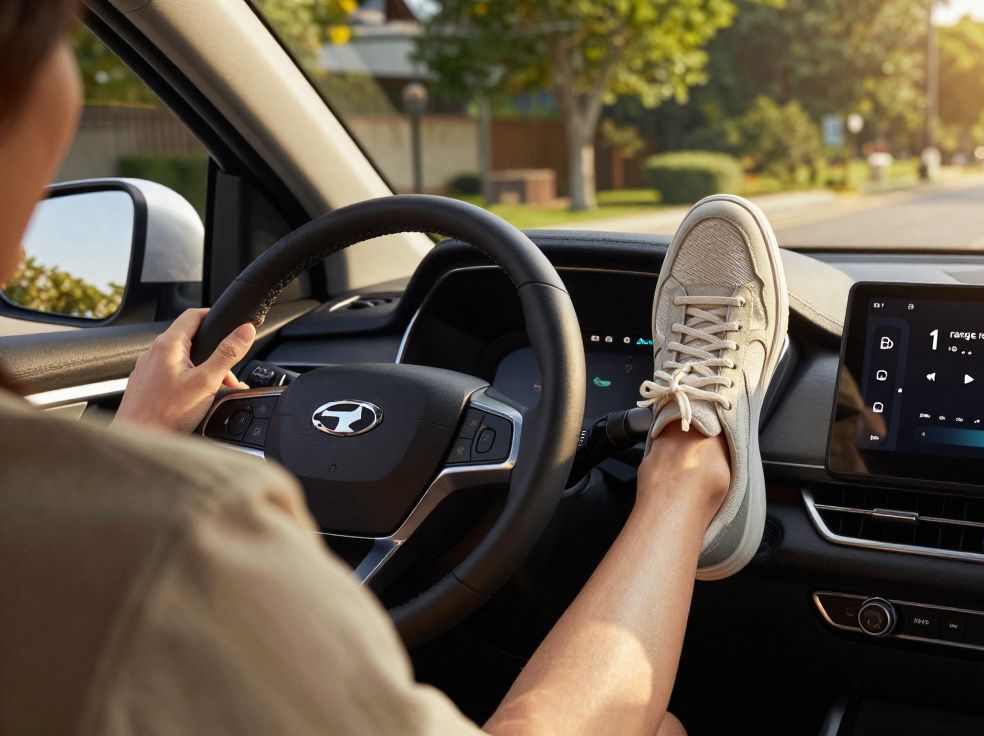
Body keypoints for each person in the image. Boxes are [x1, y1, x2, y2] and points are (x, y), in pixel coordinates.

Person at [0, 3, 789, 735]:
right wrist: (145, 486)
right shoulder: (178, 538)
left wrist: (140, 440)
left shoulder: (93, 524)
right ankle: (690, 474)